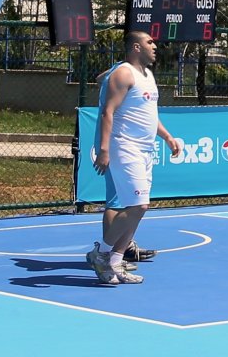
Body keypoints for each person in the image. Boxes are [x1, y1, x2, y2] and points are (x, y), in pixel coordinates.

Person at [85, 31, 181, 285]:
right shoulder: (123, 73)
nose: (155, 46)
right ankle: (102, 253)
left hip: (145, 150)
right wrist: (104, 149)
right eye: (150, 42)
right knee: (137, 206)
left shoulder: (148, 76)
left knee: (137, 209)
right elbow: (108, 111)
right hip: (124, 147)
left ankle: (115, 262)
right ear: (136, 47)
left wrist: (168, 137)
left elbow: (149, 115)